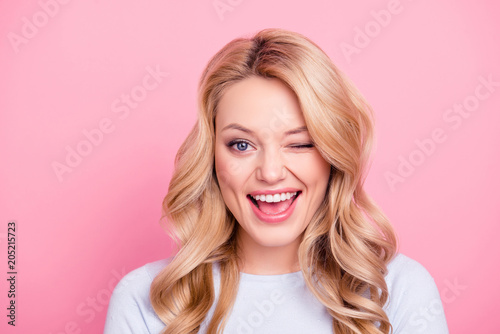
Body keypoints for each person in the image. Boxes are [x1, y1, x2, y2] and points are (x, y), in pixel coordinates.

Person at [104, 28, 449, 334]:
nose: (270, 173)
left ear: (332, 154)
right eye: (242, 145)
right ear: (211, 157)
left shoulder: (398, 290)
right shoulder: (144, 300)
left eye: (299, 143)